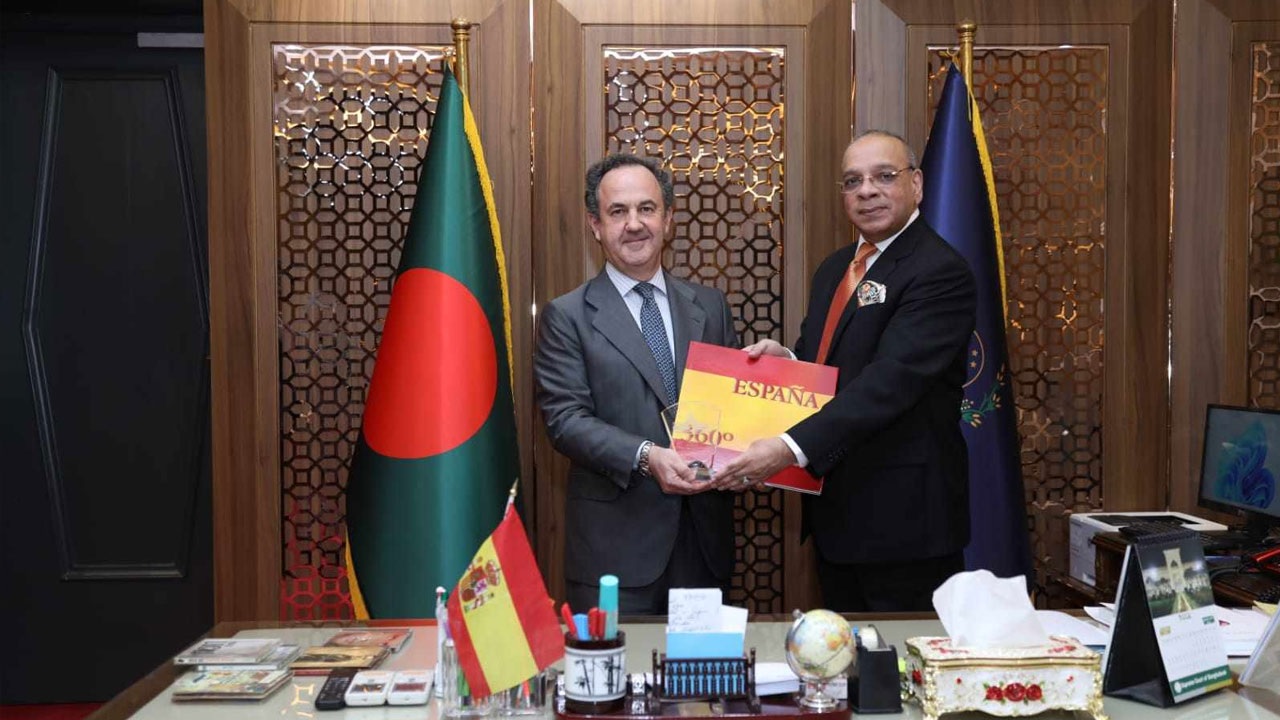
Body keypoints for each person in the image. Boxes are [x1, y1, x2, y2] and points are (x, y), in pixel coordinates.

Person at [715, 130, 976, 611]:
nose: (867, 191)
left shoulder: (939, 270)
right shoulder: (835, 268)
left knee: (898, 655)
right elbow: (828, 367)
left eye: (884, 176)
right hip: (837, 516)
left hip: (906, 527)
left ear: (916, 184)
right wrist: (788, 363)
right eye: (853, 181)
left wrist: (787, 448)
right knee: (843, 653)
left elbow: (887, 384)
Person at [534, 153, 740, 614]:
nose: (634, 224)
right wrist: (648, 456)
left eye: (647, 208)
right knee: (614, 664)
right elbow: (565, 421)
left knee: (703, 665)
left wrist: (770, 375)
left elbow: (732, 412)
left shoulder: (710, 306)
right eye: (618, 211)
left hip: (703, 549)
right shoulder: (567, 316)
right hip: (614, 555)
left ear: (668, 219)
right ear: (595, 225)